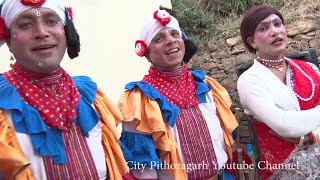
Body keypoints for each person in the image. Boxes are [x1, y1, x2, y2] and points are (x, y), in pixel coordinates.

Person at [0, 0, 130, 179]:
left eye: (52, 21)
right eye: (25, 24)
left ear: (66, 32)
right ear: (7, 38)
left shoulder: (90, 96)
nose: (42, 32)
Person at [117, 9, 238, 180]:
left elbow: (228, 141)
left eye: (175, 34)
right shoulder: (138, 100)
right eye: (159, 38)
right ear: (148, 53)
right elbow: (142, 168)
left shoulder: (206, 86)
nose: (170, 40)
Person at [238, 5, 320, 180]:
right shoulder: (249, 81)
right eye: (264, 28)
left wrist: (310, 136)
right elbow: (285, 125)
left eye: (277, 24)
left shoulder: (309, 69)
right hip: (286, 172)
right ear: (252, 41)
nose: (274, 31)